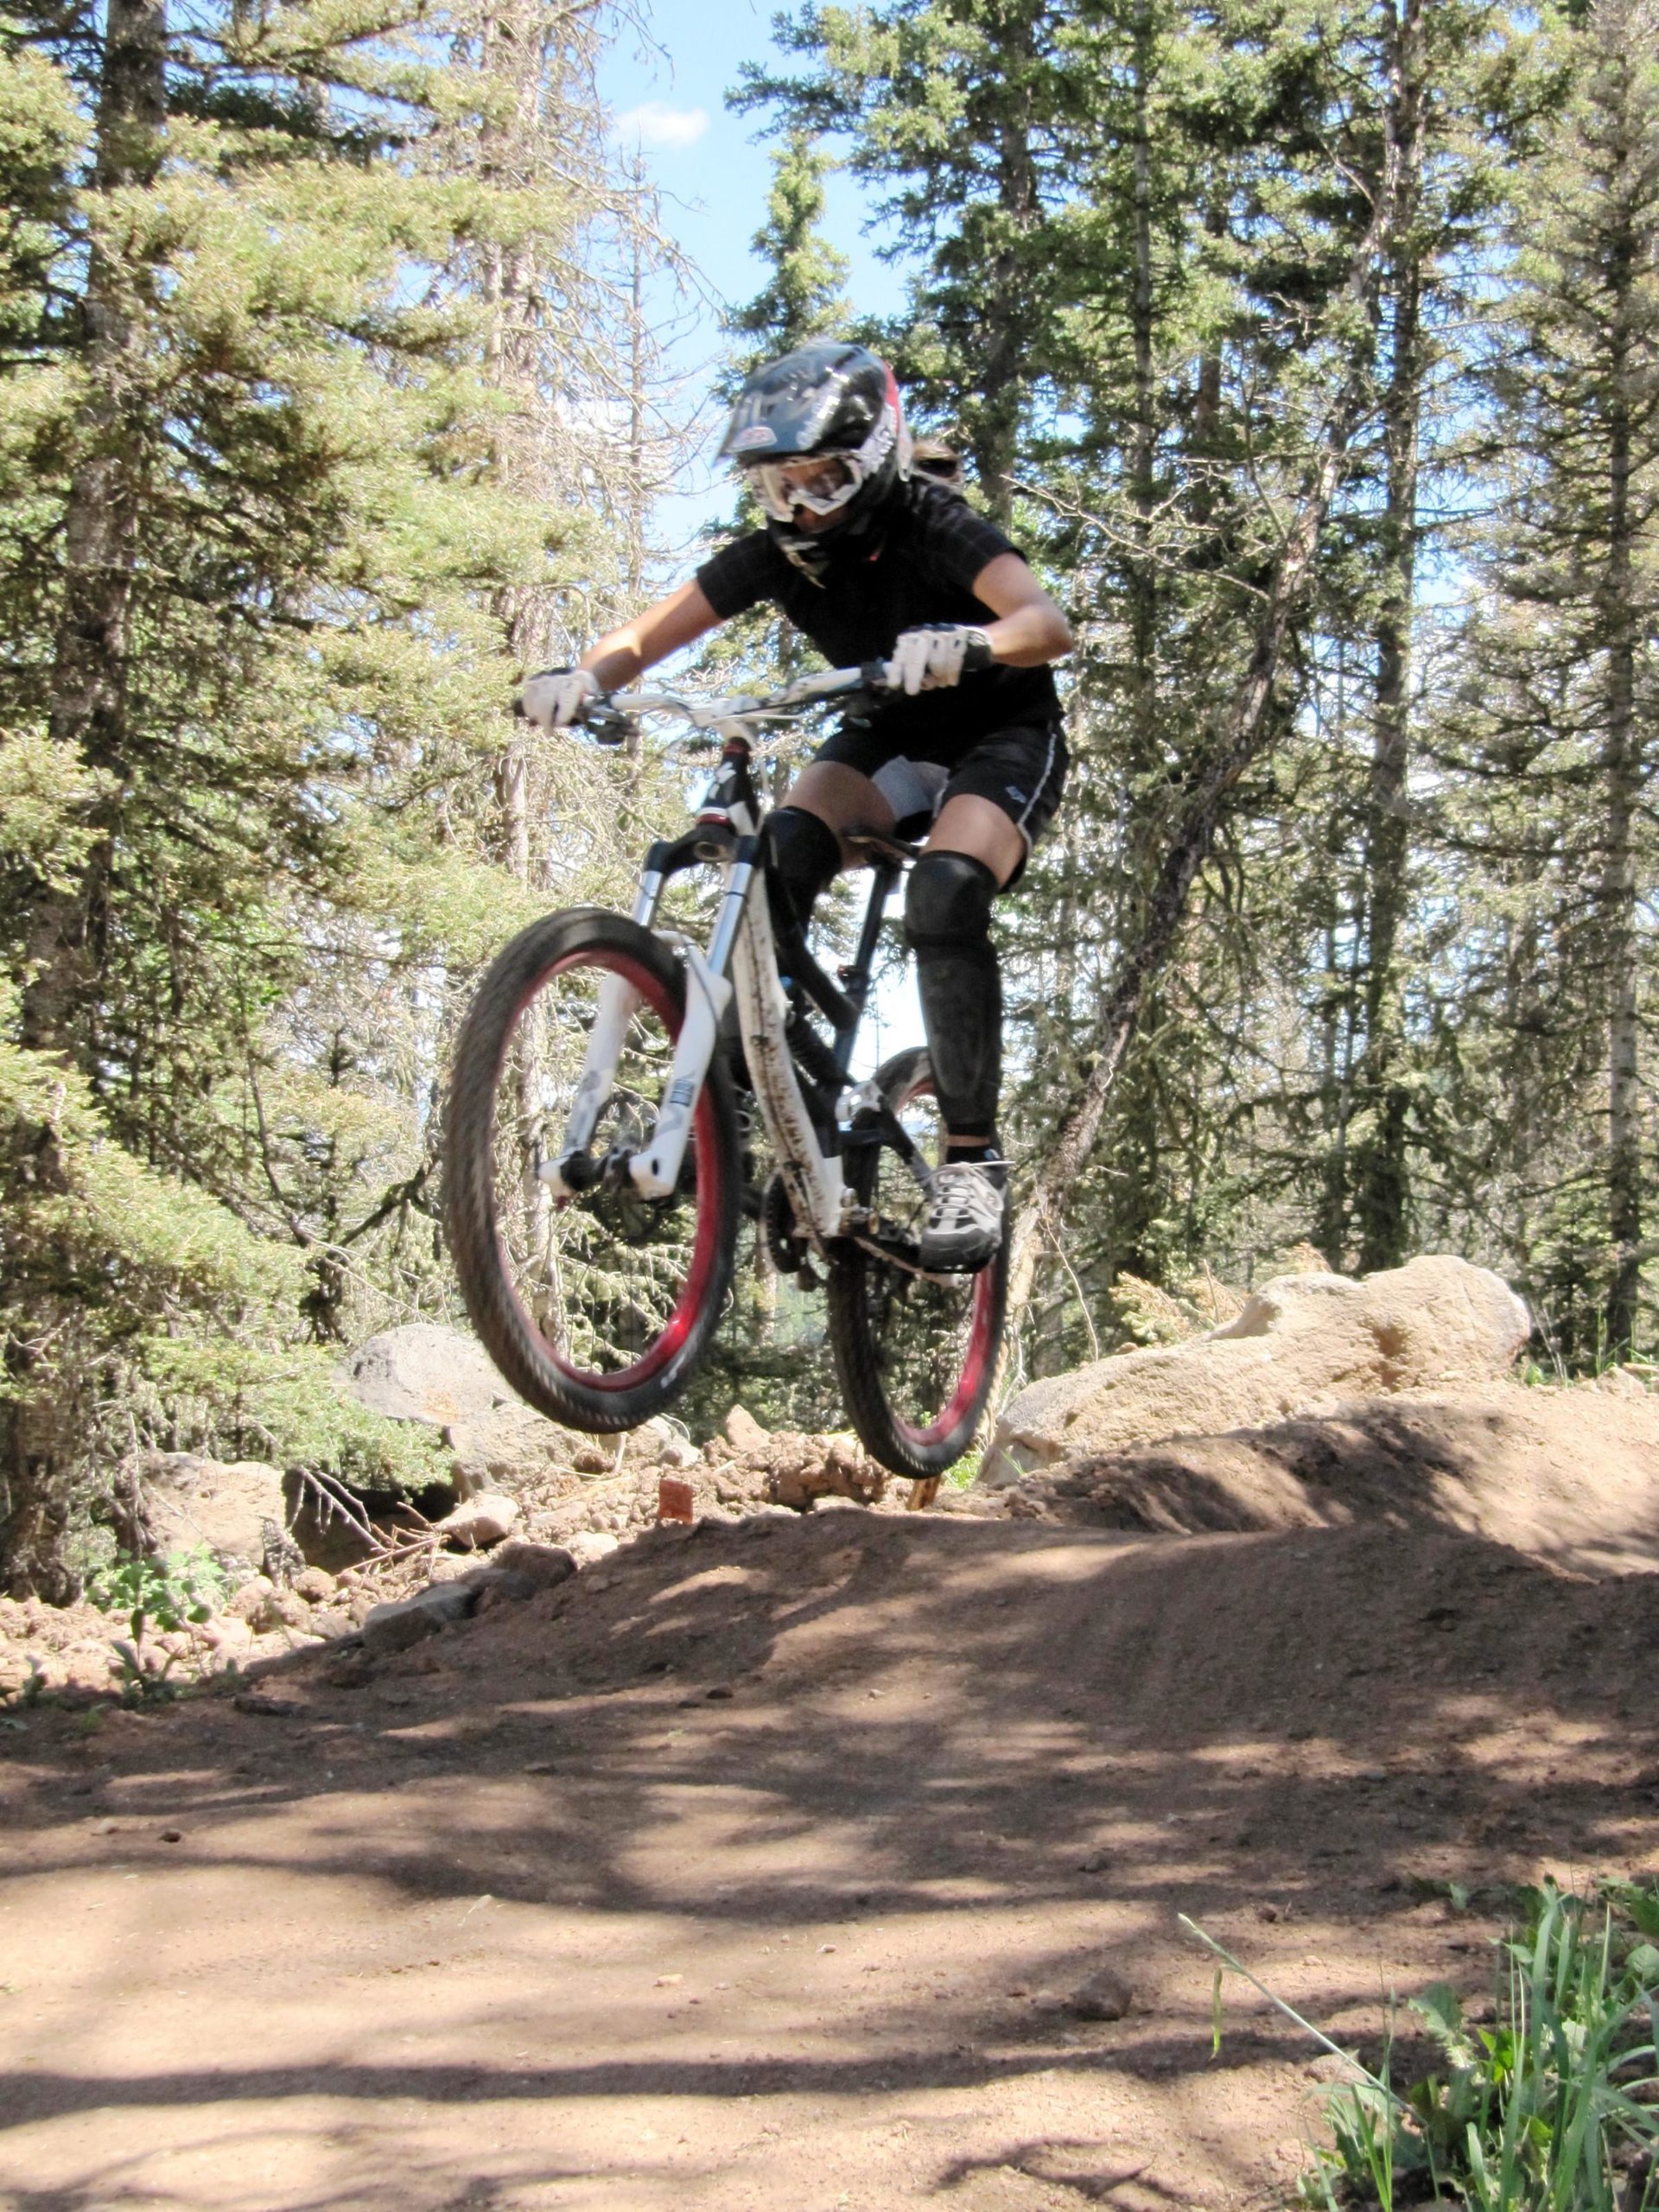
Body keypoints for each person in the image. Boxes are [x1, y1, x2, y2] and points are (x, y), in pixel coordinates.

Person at [521, 339, 1072, 1269]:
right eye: (779, 485)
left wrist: (968, 644)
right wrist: (581, 677)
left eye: (822, 480)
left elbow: (1045, 623)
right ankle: (755, 1087)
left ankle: (974, 1160)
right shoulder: (776, 557)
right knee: (777, 853)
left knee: (943, 890)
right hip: (890, 733)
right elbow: (648, 635)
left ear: (875, 459)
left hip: (1000, 735)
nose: (801, 505)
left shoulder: (935, 523)